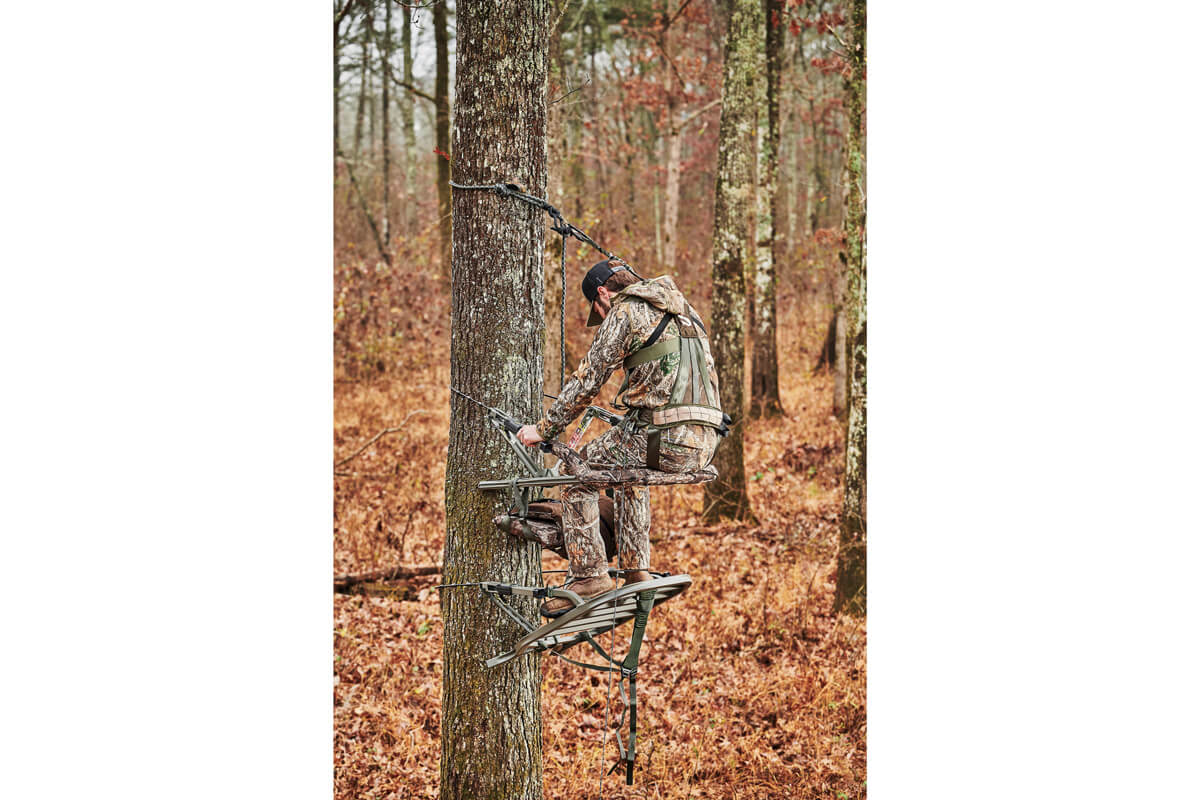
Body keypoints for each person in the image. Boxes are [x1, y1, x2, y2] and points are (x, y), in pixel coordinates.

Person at [516, 259, 725, 617]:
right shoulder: (684, 311)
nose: (601, 315)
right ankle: (635, 569)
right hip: (706, 442)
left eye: (598, 310)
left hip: (664, 437)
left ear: (602, 293)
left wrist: (544, 429)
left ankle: (589, 575)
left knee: (574, 470)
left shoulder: (626, 310)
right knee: (626, 471)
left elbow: (588, 380)